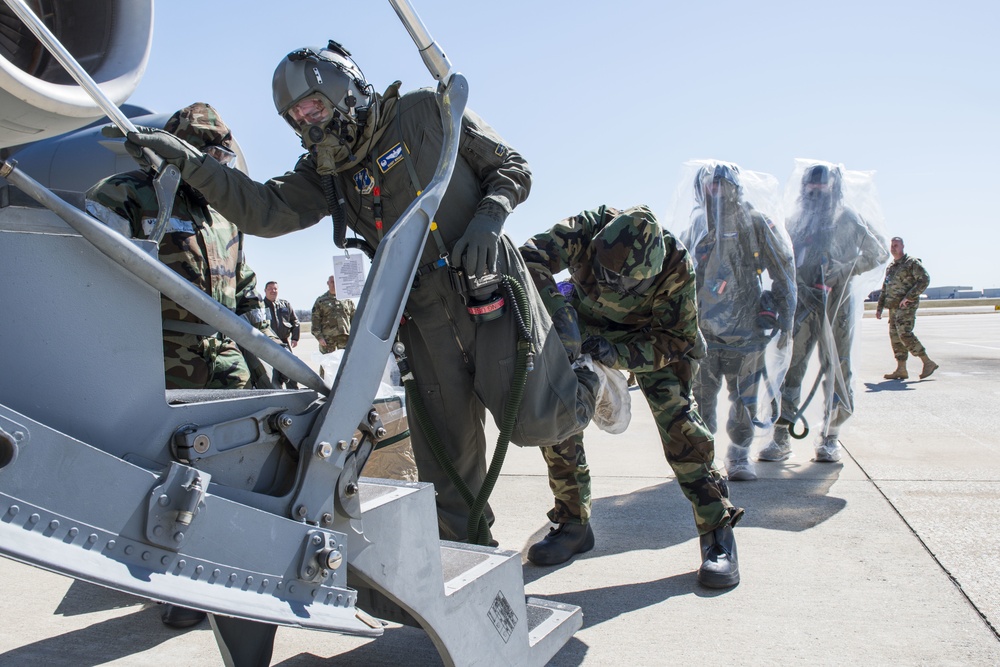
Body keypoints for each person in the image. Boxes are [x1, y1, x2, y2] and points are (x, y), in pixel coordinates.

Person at [113, 40, 600, 543]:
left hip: (485, 287)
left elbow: (511, 166)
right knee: (448, 463)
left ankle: (592, 375)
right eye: (296, 117)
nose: (307, 122)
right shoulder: (327, 172)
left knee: (538, 424)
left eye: (312, 106)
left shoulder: (425, 111)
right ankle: (467, 560)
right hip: (419, 315)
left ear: (342, 88)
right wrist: (189, 162)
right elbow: (263, 209)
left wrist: (489, 218)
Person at [86, 102, 271, 628]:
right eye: (205, 149)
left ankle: (224, 573)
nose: (218, 158)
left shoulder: (223, 214)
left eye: (220, 150)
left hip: (227, 360)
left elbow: (247, 282)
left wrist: (261, 349)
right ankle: (176, 583)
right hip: (161, 361)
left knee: (237, 468)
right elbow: (90, 272)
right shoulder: (125, 194)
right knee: (171, 476)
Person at [520, 204, 744, 589]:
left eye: (629, 285)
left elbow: (678, 340)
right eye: (609, 277)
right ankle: (573, 524)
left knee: (681, 427)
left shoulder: (676, 265)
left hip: (650, 339)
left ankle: (717, 531)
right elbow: (527, 259)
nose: (615, 288)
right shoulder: (584, 230)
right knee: (560, 416)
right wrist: (560, 313)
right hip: (583, 326)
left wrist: (618, 354)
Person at [758, 161, 889, 464]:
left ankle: (830, 437)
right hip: (803, 304)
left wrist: (844, 271)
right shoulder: (795, 220)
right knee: (790, 368)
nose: (816, 188)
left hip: (836, 305)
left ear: (834, 186)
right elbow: (780, 255)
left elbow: (878, 252)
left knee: (839, 369)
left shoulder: (848, 219)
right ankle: (781, 436)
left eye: (822, 183)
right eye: (811, 183)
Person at [677, 161, 795, 482]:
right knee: (701, 397)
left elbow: (783, 269)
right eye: (708, 184)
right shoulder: (698, 226)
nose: (714, 190)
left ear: (733, 186)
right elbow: (677, 273)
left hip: (747, 331)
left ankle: (739, 456)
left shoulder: (754, 222)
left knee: (744, 397)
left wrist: (784, 315)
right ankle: (702, 457)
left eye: (720, 183)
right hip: (704, 332)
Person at [876, 237, 937, 380]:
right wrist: (880, 307)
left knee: (905, 334)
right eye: (892, 245)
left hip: (906, 307)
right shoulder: (891, 267)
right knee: (895, 337)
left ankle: (927, 362)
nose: (893, 248)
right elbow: (885, 289)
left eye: (896, 245)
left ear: (903, 246)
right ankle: (901, 369)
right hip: (893, 307)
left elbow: (924, 279)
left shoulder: (911, 263)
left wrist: (909, 297)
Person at [263, 280, 301, 388]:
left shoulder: (285, 304)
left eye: (275, 289)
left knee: (290, 368)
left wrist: (295, 338)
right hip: (268, 343)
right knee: (272, 372)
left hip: (284, 342)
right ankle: (275, 392)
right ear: (265, 290)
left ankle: (294, 392)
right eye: (270, 289)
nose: (273, 291)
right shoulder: (260, 305)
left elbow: (295, 321)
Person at [311, 275, 355, 354]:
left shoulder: (347, 300)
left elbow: (354, 319)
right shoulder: (321, 301)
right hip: (328, 339)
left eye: (337, 282)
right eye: (332, 282)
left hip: (345, 339)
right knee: (327, 364)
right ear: (328, 283)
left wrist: (355, 336)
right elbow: (315, 320)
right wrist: (319, 337)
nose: (334, 284)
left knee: (346, 363)